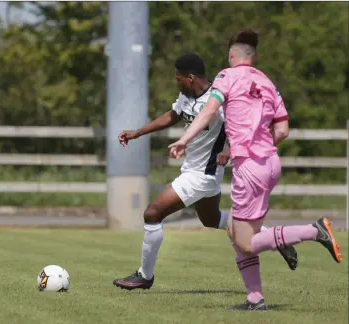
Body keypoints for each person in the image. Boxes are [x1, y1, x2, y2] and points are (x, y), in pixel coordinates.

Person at [169, 31, 343, 311]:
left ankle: (312, 231)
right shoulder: (268, 83)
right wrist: (250, 146)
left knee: (246, 241)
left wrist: (183, 140)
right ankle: (255, 298)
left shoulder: (226, 77)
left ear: (231, 56)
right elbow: (283, 131)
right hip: (270, 164)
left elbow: (208, 112)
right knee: (236, 232)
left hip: (249, 168)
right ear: (254, 57)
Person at [113, 53, 298, 291]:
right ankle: (275, 237)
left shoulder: (218, 101)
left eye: (178, 79)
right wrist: (138, 132)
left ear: (190, 78)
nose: (176, 83)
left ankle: (144, 276)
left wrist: (230, 149)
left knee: (152, 214)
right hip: (196, 171)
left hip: (203, 175)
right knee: (211, 220)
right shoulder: (187, 96)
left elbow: (245, 127)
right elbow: (172, 116)